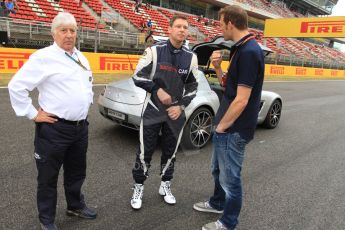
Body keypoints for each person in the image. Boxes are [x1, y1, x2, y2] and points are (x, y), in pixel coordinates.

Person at [8, 12, 96, 230]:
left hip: (79, 129)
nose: (68, 34)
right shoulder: (43, 57)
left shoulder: (80, 57)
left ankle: (75, 206)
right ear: (53, 32)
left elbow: (86, 85)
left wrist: (86, 104)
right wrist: (32, 113)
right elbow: (16, 86)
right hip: (54, 129)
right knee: (48, 177)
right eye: (63, 30)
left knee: (77, 172)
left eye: (72, 30)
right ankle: (46, 220)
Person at [193, 5, 265, 230]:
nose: (220, 28)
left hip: (234, 128)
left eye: (221, 23)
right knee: (217, 171)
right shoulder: (238, 49)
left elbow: (242, 99)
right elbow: (229, 87)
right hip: (226, 125)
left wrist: (222, 127)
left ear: (230, 24)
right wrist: (217, 67)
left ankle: (228, 222)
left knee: (231, 179)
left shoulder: (250, 52)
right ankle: (217, 203)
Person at [130, 14, 198, 210]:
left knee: (171, 152)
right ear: (169, 29)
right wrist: (156, 89)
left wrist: (181, 105)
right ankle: (139, 186)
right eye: (178, 26)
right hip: (153, 110)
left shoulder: (191, 57)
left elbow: (193, 86)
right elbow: (137, 76)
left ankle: (165, 185)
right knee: (145, 152)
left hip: (176, 113)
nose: (182, 30)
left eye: (185, 27)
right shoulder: (154, 51)